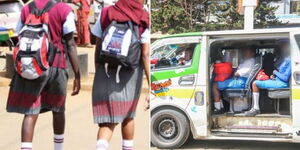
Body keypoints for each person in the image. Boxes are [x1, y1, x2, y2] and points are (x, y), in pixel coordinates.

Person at [6, 0, 81, 150]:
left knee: (30, 112)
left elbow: (18, 38)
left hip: (34, 64)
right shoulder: (63, 9)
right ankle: (58, 148)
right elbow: (70, 44)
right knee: (58, 109)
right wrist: (77, 75)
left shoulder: (27, 8)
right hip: (57, 65)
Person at [91, 0, 150, 150]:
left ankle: (101, 146)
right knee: (128, 115)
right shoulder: (143, 16)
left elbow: (98, 46)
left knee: (107, 122)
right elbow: (145, 54)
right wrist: (152, 86)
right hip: (131, 74)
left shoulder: (106, 13)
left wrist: (98, 70)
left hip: (105, 70)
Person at [245, 40, 291, 116]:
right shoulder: (284, 59)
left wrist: (275, 72)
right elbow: (281, 74)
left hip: (282, 83)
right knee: (258, 81)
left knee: (255, 83)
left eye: (283, 46)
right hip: (277, 80)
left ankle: (256, 108)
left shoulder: (290, 61)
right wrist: (274, 76)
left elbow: (285, 78)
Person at [212, 48, 255, 114]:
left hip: (241, 82)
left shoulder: (250, 62)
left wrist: (229, 72)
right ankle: (222, 106)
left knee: (215, 85)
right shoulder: (246, 61)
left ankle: (217, 108)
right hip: (240, 79)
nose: (244, 53)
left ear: (252, 53)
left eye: (247, 51)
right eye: (244, 51)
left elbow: (237, 74)